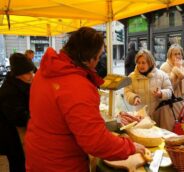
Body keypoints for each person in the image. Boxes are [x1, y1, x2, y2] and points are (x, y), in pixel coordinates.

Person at [25, 27, 145, 172]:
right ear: (90, 57)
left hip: (37, 155)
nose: (99, 61)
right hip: (61, 164)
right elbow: (96, 141)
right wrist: (129, 146)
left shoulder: (44, 72)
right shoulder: (77, 85)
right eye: (99, 55)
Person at [0, 53, 35, 172]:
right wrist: (37, 117)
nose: (32, 75)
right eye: (28, 73)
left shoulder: (22, 83)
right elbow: (18, 117)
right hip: (10, 134)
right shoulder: (9, 90)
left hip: (19, 132)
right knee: (18, 162)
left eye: (31, 71)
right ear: (17, 74)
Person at [124, 49, 173, 130]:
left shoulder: (161, 75)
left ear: (150, 62)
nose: (140, 65)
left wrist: (161, 93)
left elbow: (170, 91)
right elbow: (127, 91)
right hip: (140, 118)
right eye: (138, 63)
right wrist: (134, 98)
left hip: (158, 116)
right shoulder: (131, 77)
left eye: (143, 62)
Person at [160, 44, 184, 119]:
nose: (178, 56)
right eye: (175, 54)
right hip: (171, 103)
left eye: (179, 54)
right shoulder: (164, 67)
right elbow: (169, 87)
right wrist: (176, 69)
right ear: (170, 55)